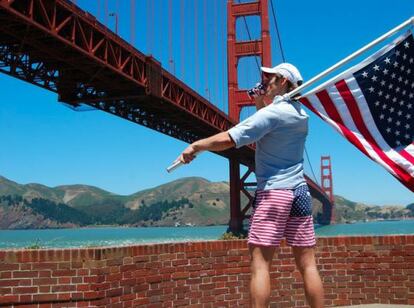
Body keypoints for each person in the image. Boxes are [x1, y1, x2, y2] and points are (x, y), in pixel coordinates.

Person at [177, 63, 324, 308]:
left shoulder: (274, 114)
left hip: (275, 193)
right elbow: (267, 128)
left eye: (271, 78)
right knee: (308, 264)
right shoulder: (300, 114)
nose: (266, 81)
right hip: (299, 191)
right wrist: (260, 102)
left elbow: (230, 137)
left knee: (260, 265)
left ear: (285, 82)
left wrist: (196, 146)